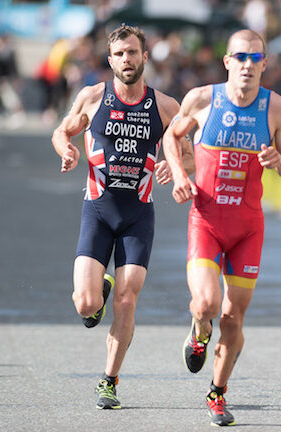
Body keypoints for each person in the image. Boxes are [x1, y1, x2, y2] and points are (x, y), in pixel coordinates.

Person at [163, 29, 281, 426]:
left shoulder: (277, 109)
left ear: (265, 64)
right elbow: (173, 138)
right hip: (206, 221)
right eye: (240, 57)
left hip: (247, 229)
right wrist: (178, 175)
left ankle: (218, 394)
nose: (248, 65)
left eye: (256, 59)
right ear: (227, 61)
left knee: (233, 319)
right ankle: (198, 329)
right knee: (206, 304)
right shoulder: (203, 99)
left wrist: (279, 161)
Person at [51, 24, 192, 410]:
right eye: (119, 54)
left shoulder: (166, 107)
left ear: (145, 56)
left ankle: (109, 380)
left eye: (133, 52)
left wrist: (176, 167)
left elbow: (192, 153)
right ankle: (98, 294)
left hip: (137, 216)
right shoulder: (94, 97)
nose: (127, 60)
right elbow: (61, 132)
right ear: (110, 59)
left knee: (127, 302)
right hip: (97, 210)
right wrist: (67, 150)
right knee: (85, 304)